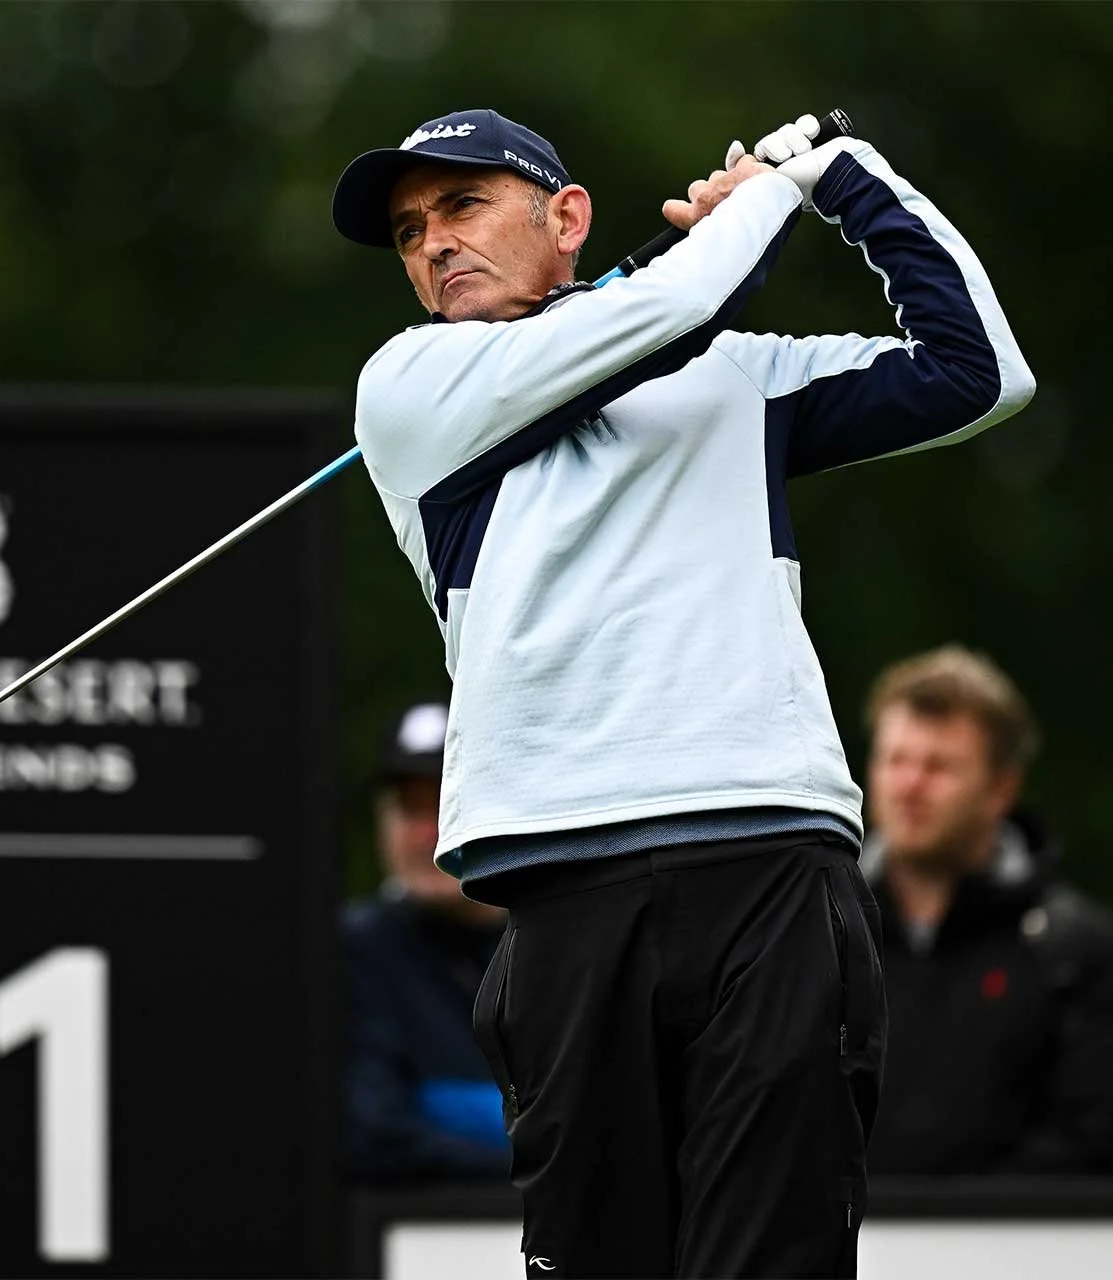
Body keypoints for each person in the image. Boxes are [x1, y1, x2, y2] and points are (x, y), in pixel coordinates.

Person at [332, 107, 1034, 1277]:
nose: (434, 245)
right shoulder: (412, 386)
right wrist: (762, 190)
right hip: (562, 887)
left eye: (462, 206)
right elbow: (671, 305)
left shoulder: (734, 378)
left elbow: (979, 374)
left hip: (767, 858)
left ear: (568, 219)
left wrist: (839, 177)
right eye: (410, 231)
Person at [859, 645, 1113, 1175]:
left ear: (1000, 788)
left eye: (938, 766)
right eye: (895, 760)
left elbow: (1093, 1142)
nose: (909, 785)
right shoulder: (824, 936)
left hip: (1016, 1254)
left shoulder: (1076, 953)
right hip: (846, 1255)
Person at [341, 700, 512, 1184]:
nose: (425, 834)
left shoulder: (562, 949)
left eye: (443, 804)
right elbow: (373, 1137)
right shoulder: (353, 951)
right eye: (406, 808)